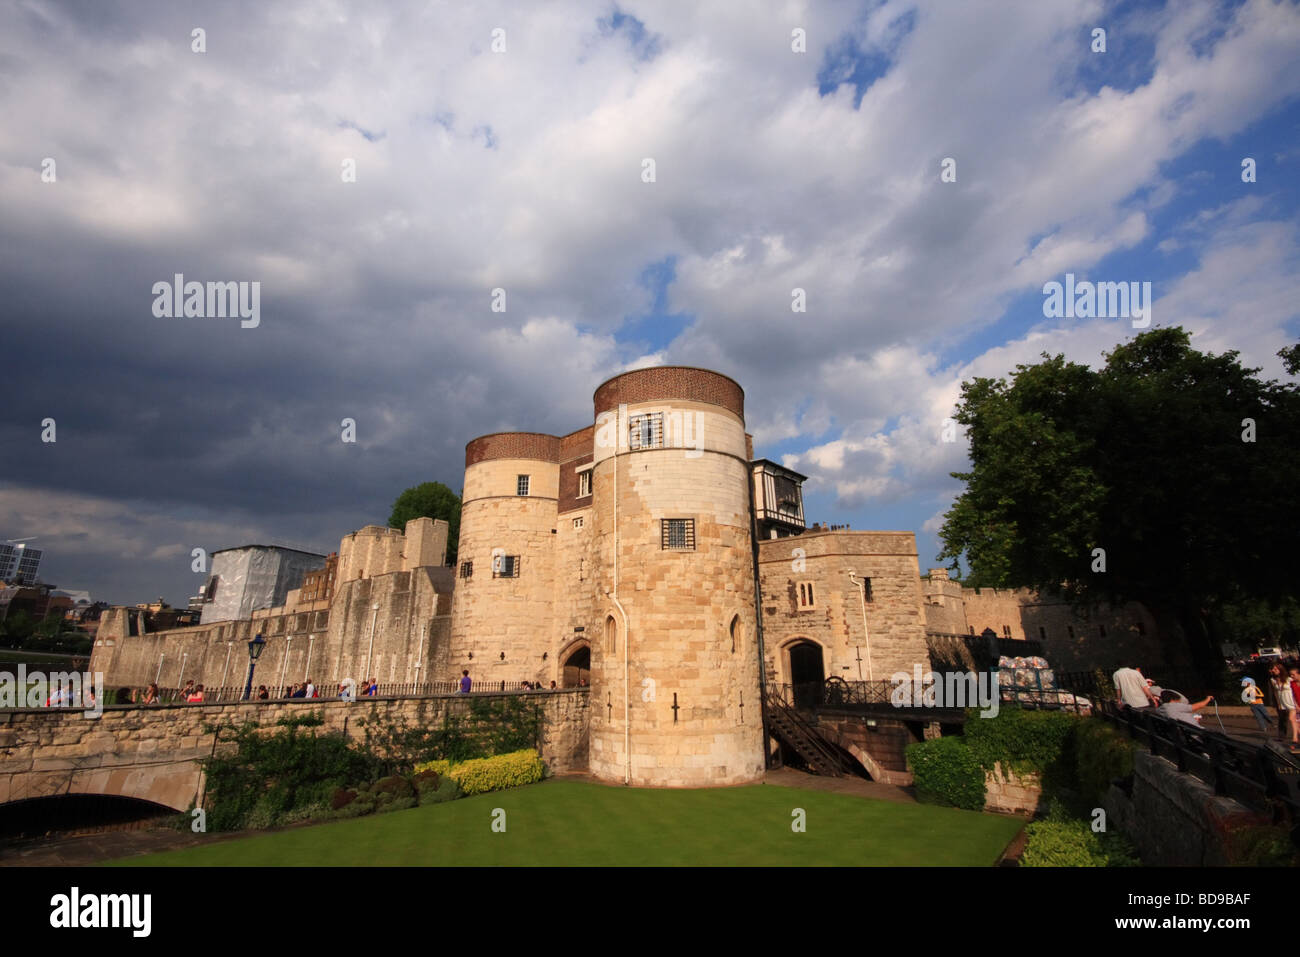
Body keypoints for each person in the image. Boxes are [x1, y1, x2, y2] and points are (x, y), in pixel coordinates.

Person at [1269, 663, 1296, 745]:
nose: (1274, 671)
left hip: (1291, 701)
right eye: (1273, 669)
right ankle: (1281, 736)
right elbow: (1275, 693)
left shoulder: (1289, 679)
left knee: (1293, 720)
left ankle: (1295, 737)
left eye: (1276, 669)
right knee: (1282, 720)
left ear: (1280, 670)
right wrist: (1277, 704)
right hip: (1281, 703)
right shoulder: (1273, 680)